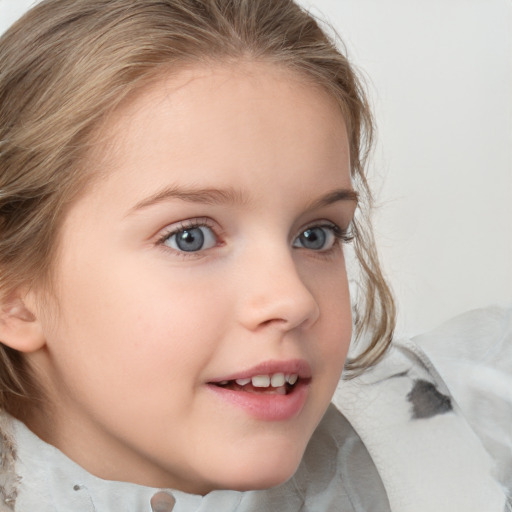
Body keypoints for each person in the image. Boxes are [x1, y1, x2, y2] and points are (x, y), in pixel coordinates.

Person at [0, 1, 508, 511]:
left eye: (316, 235)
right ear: (13, 295)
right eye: (190, 237)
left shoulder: (457, 429)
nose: (293, 299)